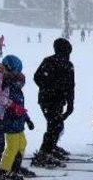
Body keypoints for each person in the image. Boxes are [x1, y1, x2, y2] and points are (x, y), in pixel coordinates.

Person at [32, 38, 75, 167]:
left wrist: (69, 103)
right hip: (49, 100)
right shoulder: (54, 62)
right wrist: (51, 88)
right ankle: (44, 153)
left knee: (56, 125)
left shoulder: (59, 63)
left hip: (53, 100)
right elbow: (38, 77)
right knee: (54, 126)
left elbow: (70, 86)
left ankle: (50, 148)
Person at [0, 55, 35, 180]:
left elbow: (20, 107)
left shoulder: (17, 90)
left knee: (22, 144)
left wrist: (27, 119)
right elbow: (7, 105)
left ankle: (15, 168)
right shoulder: (7, 86)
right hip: (10, 123)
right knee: (12, 146)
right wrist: (15, 113)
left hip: (18, 124)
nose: (21, 84)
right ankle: (4, 171)